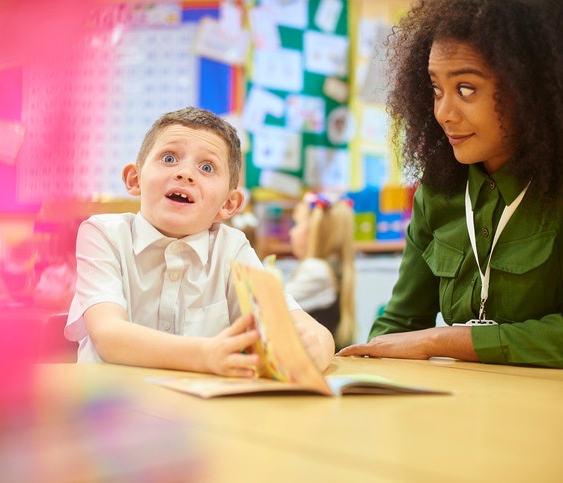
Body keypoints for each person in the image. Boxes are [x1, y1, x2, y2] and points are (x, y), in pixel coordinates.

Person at [338, 0, 563, 367]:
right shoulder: (438, 194)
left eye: (466, 89)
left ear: (530, 89)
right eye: (436, 89)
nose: (443, 113)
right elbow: (397, 326)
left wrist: (446, 339)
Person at [65, 106, 335, 376]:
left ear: (229, 204)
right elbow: (109, 336)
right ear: (135, 179)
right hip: (107, 406)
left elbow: (297, 323)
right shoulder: (103, 234)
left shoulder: (232, 247)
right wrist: (205, 355)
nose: (185, 173)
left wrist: (316, 347)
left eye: (207, 167)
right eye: (169, 158)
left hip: (197, 410)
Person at [286, 191, 356, 351]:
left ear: (313, 231)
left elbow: (274, 308)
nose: (291, 232)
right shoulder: (331, 267)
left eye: (295, 224)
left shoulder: (315, 270)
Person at [33, 219, 83, 310]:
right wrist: (59, 301)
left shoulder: (98, 273)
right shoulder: (57, 274)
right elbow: (38, 299)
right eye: (73, 251)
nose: (77, 257)